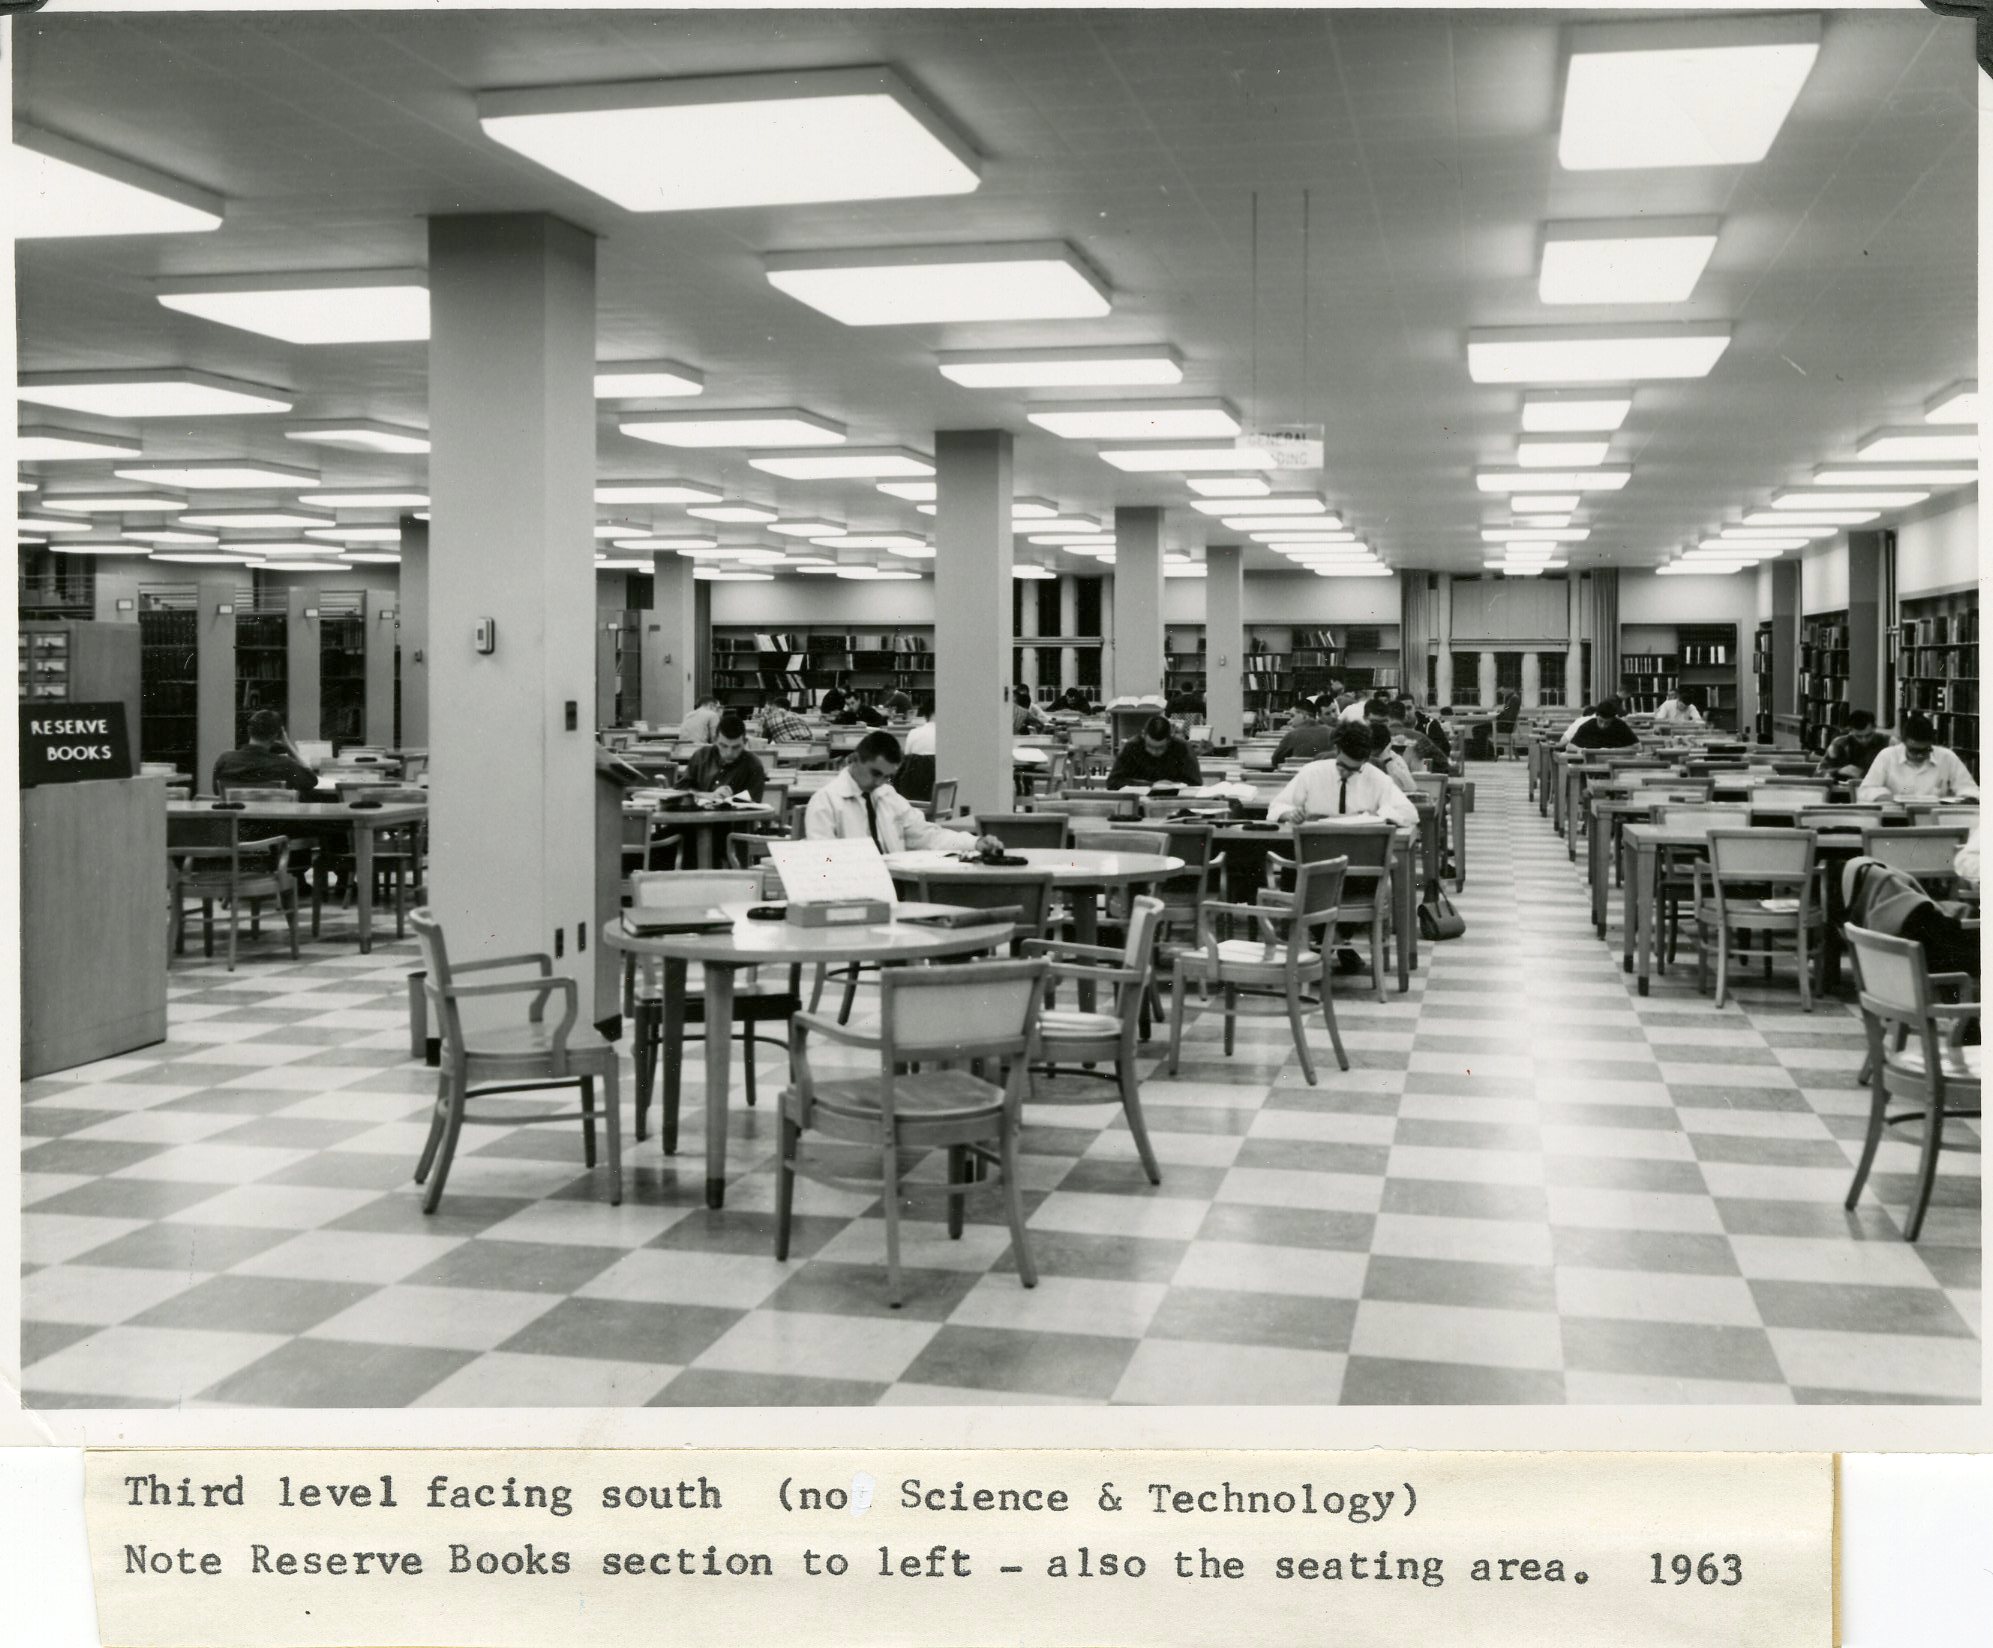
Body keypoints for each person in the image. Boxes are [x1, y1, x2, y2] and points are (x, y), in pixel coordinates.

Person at [803, 730, 1000, 854]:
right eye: (875, 773)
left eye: (887, 776)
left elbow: (927, 836)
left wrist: (975, 843)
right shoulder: (825, 802)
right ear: (854, 760)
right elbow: (823, 862)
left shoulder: (888, 796)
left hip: (896, 887)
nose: (879, 782)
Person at [1268, 722, 1419, 828]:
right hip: (1316, 849)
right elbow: (1276, 806)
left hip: (1359, 854)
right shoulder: (1311, 772)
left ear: (1366, 760)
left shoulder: (1378, 778)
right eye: (1342, 766)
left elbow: (1410, 814)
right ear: (1337, 750)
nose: (1346, 773)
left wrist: (1377, 816)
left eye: (1354, 770)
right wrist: (1289, 814)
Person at [1858, 711, 1980, 802]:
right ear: (1903, 742)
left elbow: (1969, 789)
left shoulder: (1946, 757)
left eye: (1925, 750)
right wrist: (1886, 797)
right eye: (1913, 750)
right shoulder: (1887, 756)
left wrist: (1968, 798)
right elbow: (1865, 791)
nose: (1919, 755)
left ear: (1932, 744)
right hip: (1895, 820)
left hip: (1935, 820)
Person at [213, 708, 320, 800]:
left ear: (249, 731)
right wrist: (289, 747)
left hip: (238, 822)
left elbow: (217, 791)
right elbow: (311, 780)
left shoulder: (225, 759)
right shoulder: (285, 764)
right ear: (277, 735)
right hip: (274, 822)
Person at [680, 715, 767, 801]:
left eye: (736, 747)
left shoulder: (754, 765)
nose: (729, 753)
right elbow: (679, 791)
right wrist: (708, 796)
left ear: (745, 743)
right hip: (697, 814)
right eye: (723, 746)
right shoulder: (701, 756)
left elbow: (754, 807)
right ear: (715, 740)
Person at [1105, 714, 1204, 788]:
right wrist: (1149, 785)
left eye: (1160, 748)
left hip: (1174, 801)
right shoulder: (1132, 746)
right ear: (1143, 735)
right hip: (1138, 802)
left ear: (1169, 740)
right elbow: (1113, 782)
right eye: (1150, 746)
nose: (1155, 752)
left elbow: (1195, 783)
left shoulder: (1182, 747)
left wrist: (1174, 785)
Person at [1818, 710, 1891, 782]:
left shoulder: (1888, 743)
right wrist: (1839, 771)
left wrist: (1863, 774)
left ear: (1874, 728)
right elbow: (1818, 774)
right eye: (1858, 736)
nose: (1864, 740)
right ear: (1850, 731)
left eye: (1868, 735)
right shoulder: (1839, 744)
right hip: (1846, 792)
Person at [1271, 700, 1337, 766]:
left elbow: (1275, 760)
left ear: (1305, 716)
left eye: (1292, 716)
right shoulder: (1332, 732)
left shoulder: (1293, 735)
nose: (1289, 722)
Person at [1366, 718, 1419, 794]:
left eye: (1376, 753)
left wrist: (1388, 761)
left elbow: (1411, 788)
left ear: (1385, 747)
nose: (1372, 756)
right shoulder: (1360, 758)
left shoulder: (1394, 759)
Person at [1569, 697, 1638, 750]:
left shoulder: (1620, 726)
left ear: (1613, 719)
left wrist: (1615, 751)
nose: (1603, 725)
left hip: (1615, 759)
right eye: (1600, 721)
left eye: (1607, 723)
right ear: (1596, 716)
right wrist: (1582, 750)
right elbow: (1570, 746)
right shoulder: (1588, 726)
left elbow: (1637, 747)